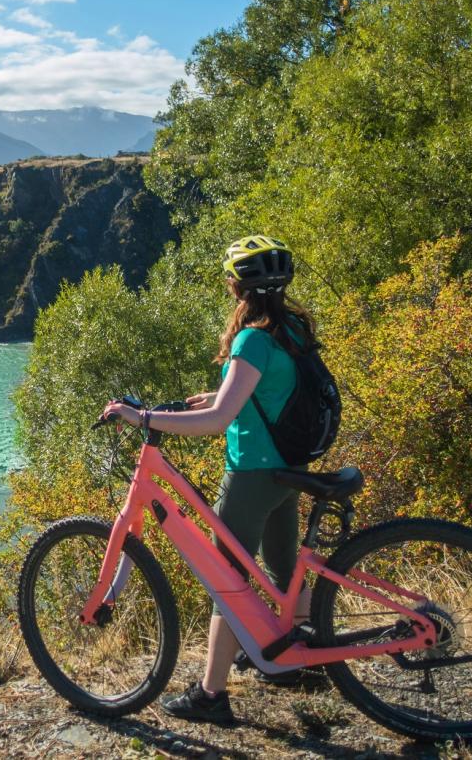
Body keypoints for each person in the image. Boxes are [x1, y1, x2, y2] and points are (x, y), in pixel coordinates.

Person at [99, 235, 319, 725]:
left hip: (253, 473)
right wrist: (215, 395)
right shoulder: (293, 328)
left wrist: (145, 418)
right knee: (285, 568)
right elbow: (266, 390)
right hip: (289, 467)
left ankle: (211, 694)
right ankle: (290, 659)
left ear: (235, 287)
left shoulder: (252, 338)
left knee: (228, 584)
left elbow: (219, 422)